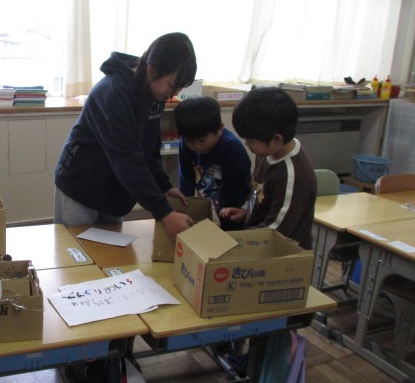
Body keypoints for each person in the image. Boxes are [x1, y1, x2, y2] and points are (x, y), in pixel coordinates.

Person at [54, 32, 197, 240]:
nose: (173, 93)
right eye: (172, 85)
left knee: (111, 253)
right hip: (81, 185)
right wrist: (165, 213)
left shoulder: (154, 93)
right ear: (151, 70)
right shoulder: (114, 93)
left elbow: (150, 150)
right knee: (78, 252)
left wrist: (164, 186)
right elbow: (128, 160)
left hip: (113, 189)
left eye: (179, 88)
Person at [219, 87, 317, 249]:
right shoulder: (267, 153)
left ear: (276, 139)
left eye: (250, 140)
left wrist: (239, 242)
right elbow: (258, 194)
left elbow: (276, 230)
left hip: (286, 252)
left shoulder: (292, 175)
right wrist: (246, 213)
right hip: (261, 241)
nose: (247, 144)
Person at [174, 95, 251, 230]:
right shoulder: (185, 144)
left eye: (202, 140)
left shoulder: (232, 149)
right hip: (209, 207)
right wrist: (185, 207)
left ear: (220, 128)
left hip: (233, 210)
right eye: (190, 141)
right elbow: (186, 179)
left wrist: (222, 221)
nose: (196, 146)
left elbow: (235, 191)